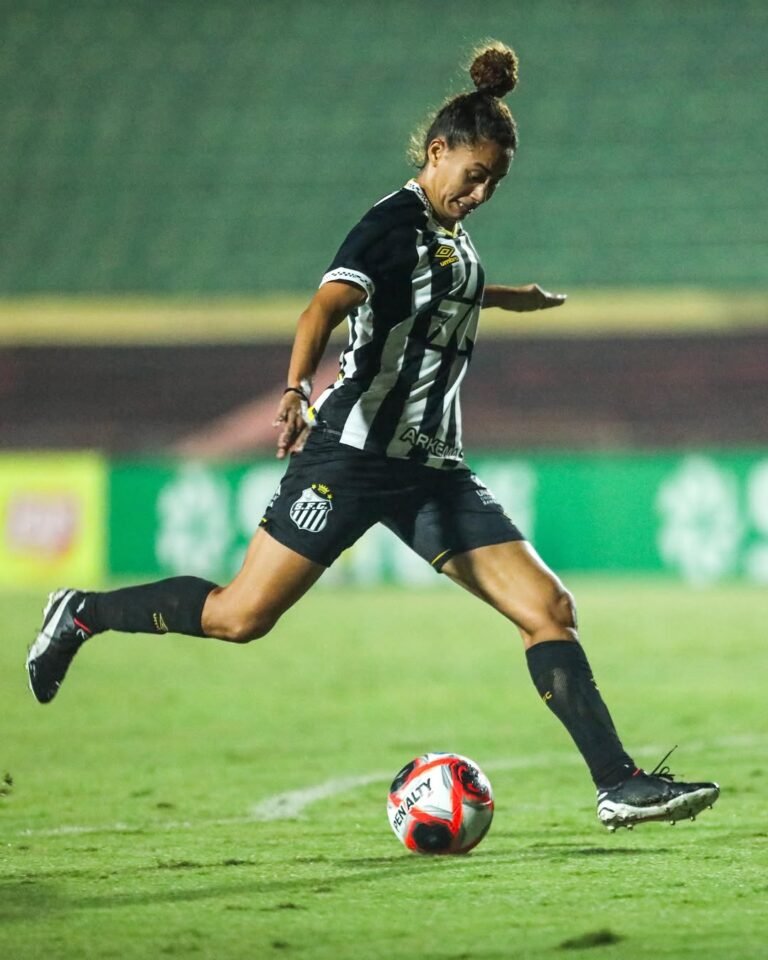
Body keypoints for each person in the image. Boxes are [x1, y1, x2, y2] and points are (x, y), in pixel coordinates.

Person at [27, 41, 718, 833]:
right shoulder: (388, 225)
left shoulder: (452, 238)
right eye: (474, 174)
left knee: (548, 607)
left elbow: (440, 290)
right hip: (350, 459)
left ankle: (618, 783)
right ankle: (81, 612)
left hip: (431, 469)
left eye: (496, 182)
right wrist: (293, 390)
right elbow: (321, 309)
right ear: (438, 152)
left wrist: (509, 298)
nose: (483, 191)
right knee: (239, 617)